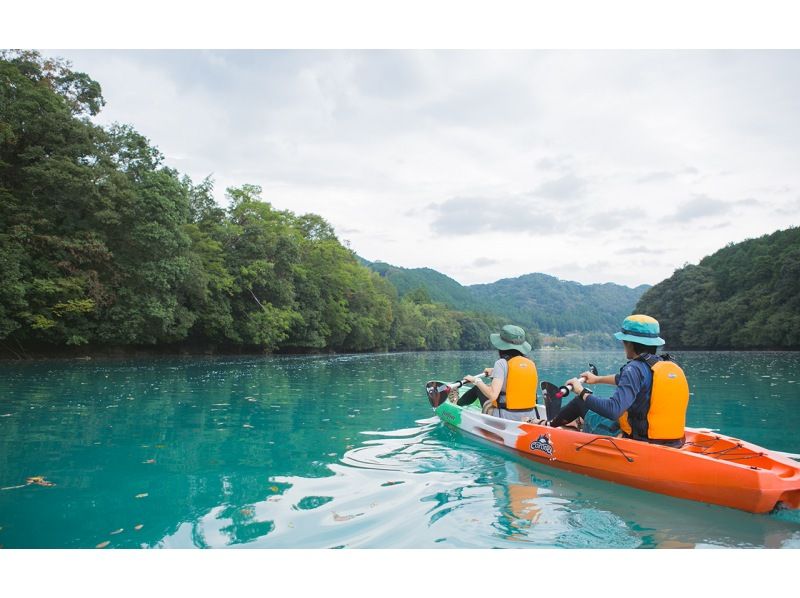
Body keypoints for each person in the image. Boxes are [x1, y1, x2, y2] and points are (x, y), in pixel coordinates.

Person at [548, 314, 690, 447]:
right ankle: (572, 423)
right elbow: (623, 379)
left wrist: (580, 391)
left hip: (639, 442)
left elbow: (613, 410)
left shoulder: (634, 368)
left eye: (624, 341)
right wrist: (597, 379)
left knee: (581, 402)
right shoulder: (662, 365)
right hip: (673, 441)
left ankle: (547, 430)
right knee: (595, 401)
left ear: (630, 343)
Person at [457, 324, 539, 421]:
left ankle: (456, 405)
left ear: (502, 346)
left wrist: (476, 380)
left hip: (505, 416)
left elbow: (493, 395)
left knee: (478, 388)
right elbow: (515, 380)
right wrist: (494, 371)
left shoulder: (501, 363)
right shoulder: (531, 363)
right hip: (530, 416)